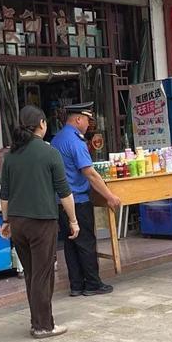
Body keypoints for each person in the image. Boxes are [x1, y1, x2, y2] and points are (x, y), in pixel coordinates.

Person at [0, 105, 80, 339]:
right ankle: (44, 325)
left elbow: (4, 194)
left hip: (17, 222)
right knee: (43, 275)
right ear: (42, 124)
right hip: (41, 222)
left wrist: (6, 220)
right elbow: (65, 192)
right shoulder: (49, 152)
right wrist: (73, 220)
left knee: (31, 274)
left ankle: (37, 322)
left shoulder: (11, 156)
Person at [51, 102, 121, 297]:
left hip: (61, 201)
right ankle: (92, 284)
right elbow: (89, 173)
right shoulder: (75, 141)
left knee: (71, 244)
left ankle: (76, 285)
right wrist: (109, 196)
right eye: (88, 120)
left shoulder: (56, 139)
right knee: (85, 242)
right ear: (78, 119)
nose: (89, 124)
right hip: (78, 201)